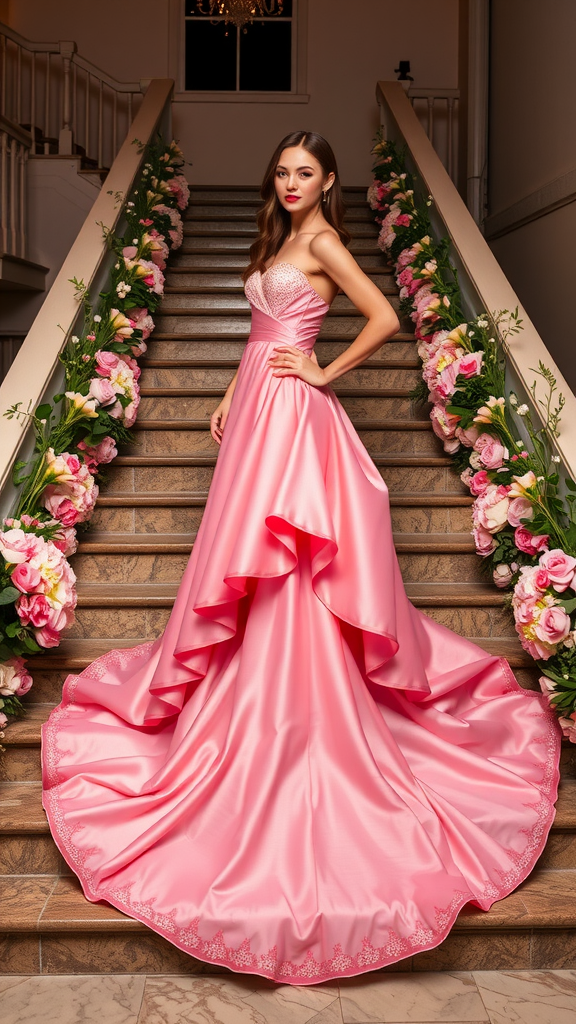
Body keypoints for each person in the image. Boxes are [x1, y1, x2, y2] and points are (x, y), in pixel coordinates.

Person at [42, 130, 561, 987]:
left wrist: (324, 373)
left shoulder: (320, 239)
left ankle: (300, 714)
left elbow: (387, 317)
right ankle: (254, 694)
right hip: (256, 407)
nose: (290, 183)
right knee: (249, 562)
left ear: (329, 181)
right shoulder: (278, 239)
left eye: (306, 173)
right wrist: (225, 393)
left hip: (294, 415)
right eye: (281, 171)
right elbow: (260, 329)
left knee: (289, 559)